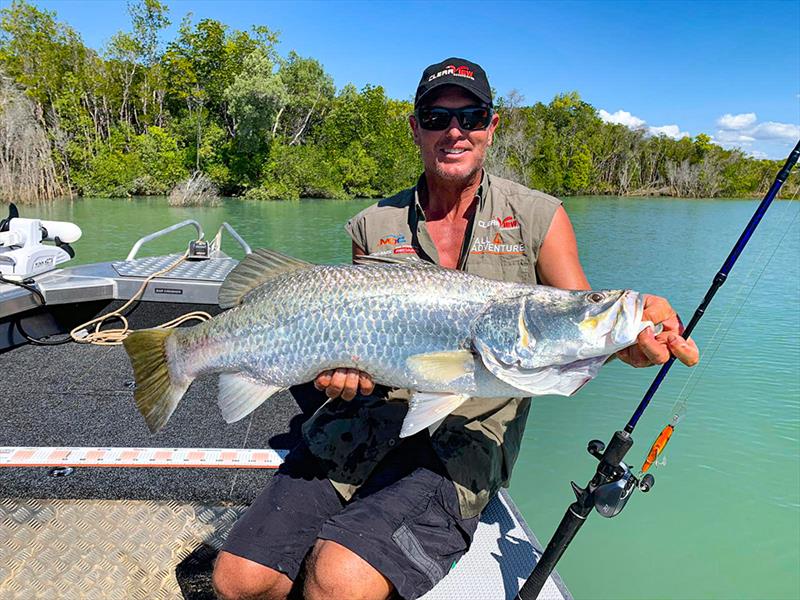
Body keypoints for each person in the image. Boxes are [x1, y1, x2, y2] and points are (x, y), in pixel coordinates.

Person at [212, 57, 699, 600]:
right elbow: (350, 342)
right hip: (366, 416)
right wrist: (340, 375)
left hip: (467, 436)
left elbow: (573, 320)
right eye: (437, 117)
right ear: (416, 127)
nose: (455, 131)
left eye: (471, 115)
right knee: (239, 581)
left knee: (338, 579)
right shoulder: (375, 224)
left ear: (492, 126)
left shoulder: (540, 217)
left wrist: (628, 340)